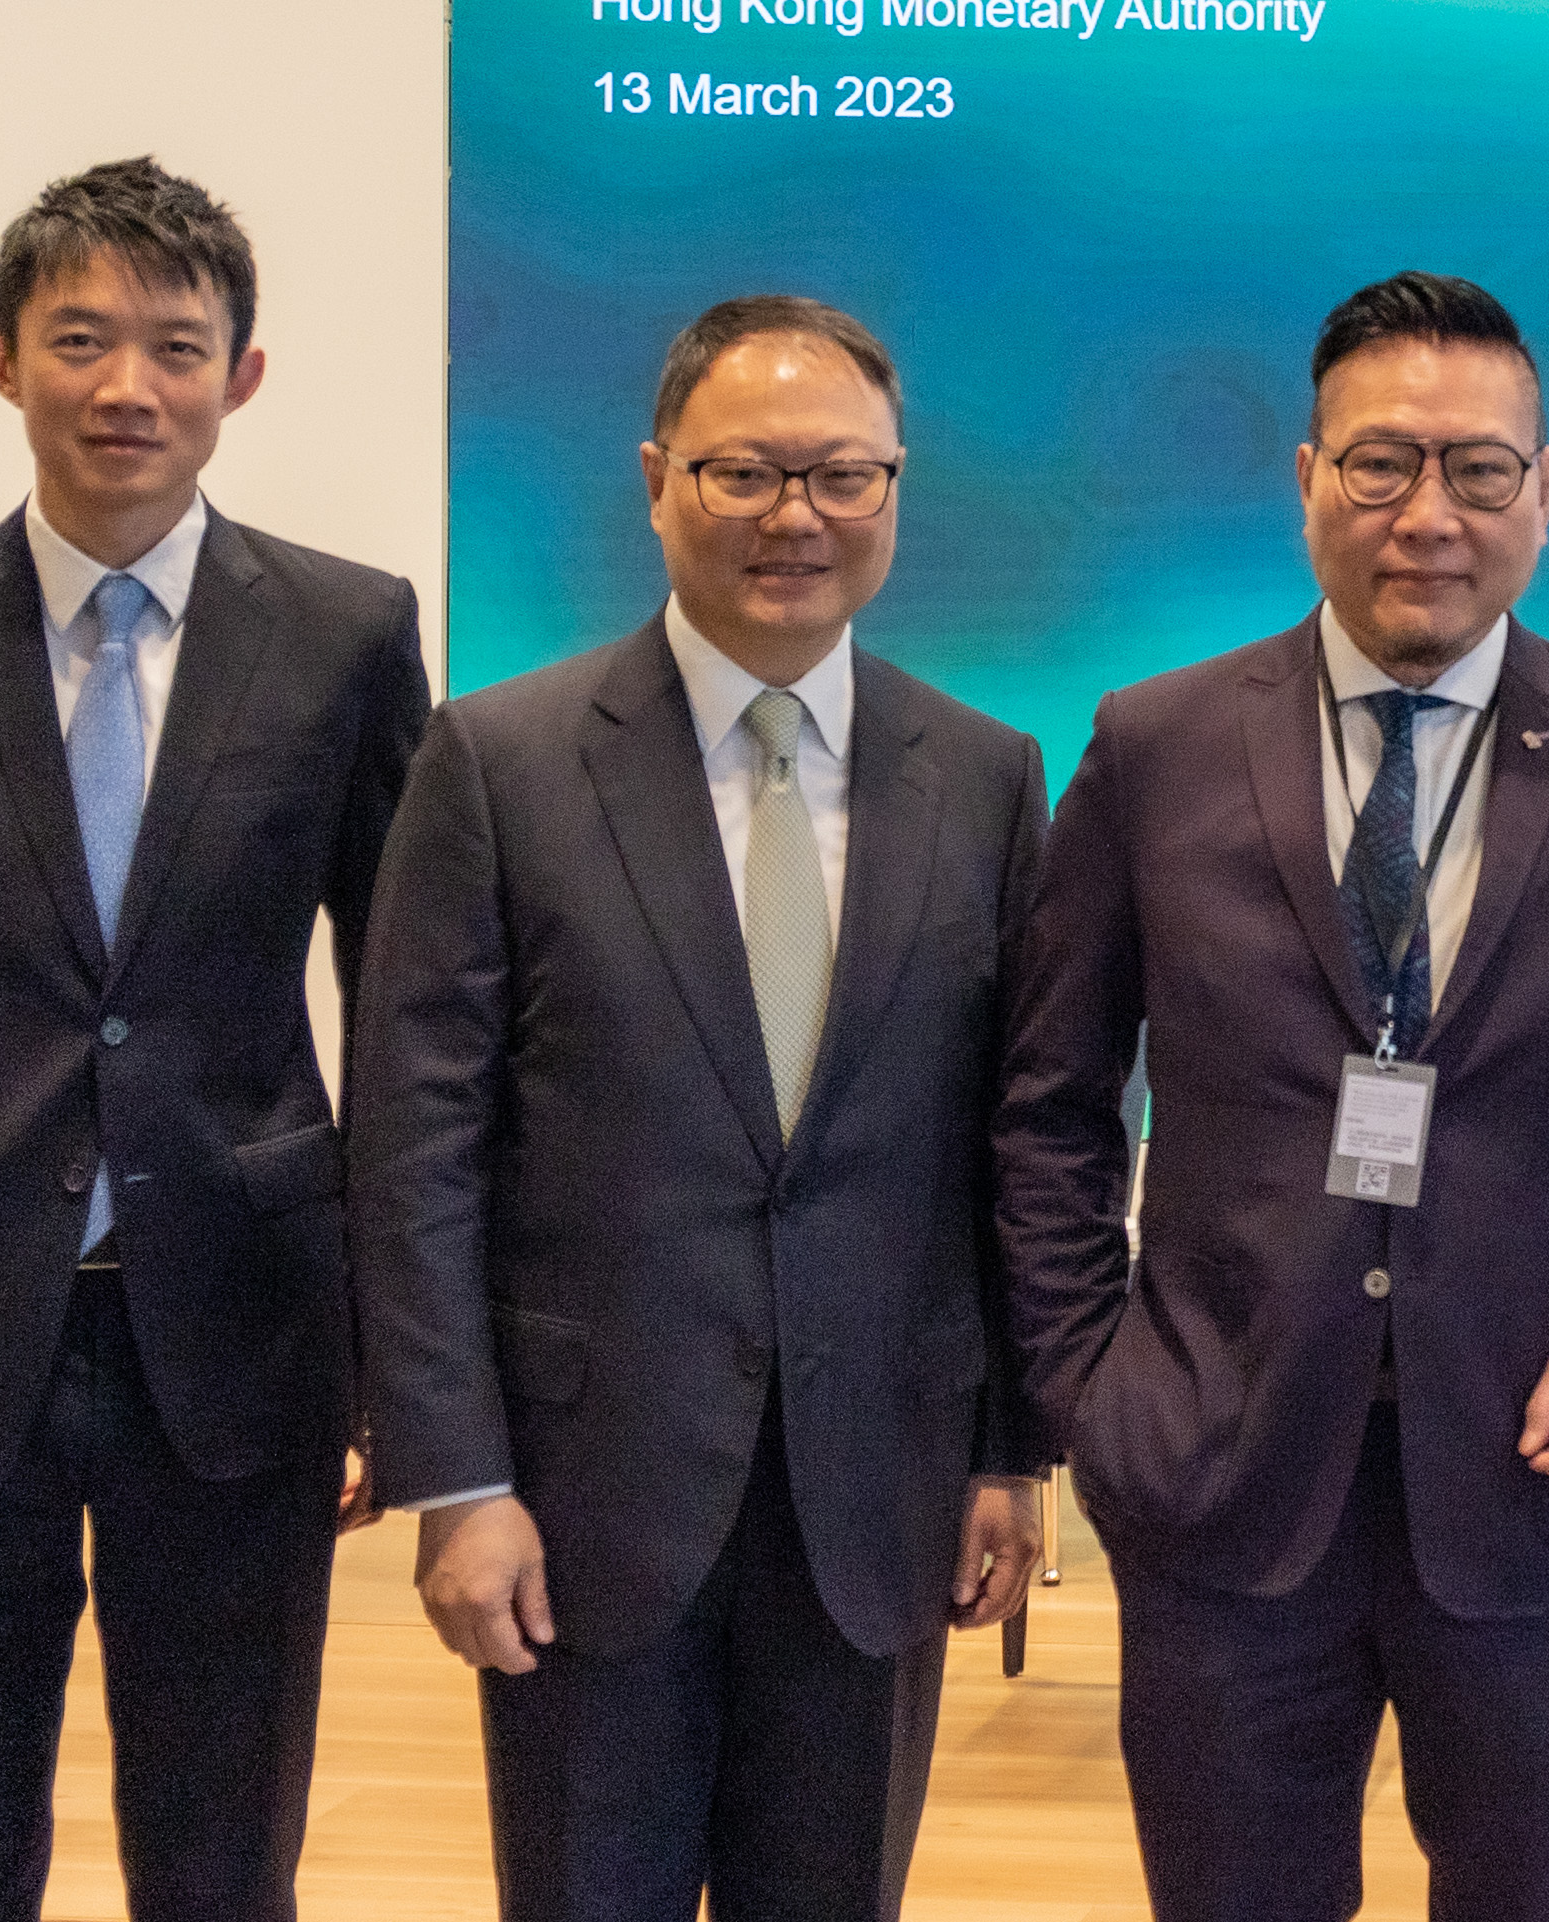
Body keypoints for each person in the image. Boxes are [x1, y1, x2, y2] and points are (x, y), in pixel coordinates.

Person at [999, 270, 1549, 1922]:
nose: (1427, 511)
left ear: (1543, 492)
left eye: (1477, 468)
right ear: (1305, 481)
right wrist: (1089, 1381)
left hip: (1536, 1473)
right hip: (1217, 1474)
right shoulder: (1154, 746)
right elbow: (1050, 1098)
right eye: (1379, 463)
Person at [0, 159, 433, 1922]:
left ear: (243, 376)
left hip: (240, 1319)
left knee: (223, 1844)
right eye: (80, 338)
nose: (127, 384)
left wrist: (392, 1351)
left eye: (175, 345)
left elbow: (409, 1006)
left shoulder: (350, 632)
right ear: (2, 361)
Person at [350, 294, 1049, 1922]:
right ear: (657, 478)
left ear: (895, 490)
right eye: (744, 472)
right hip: (580, 1504)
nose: (793, 515)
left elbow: (1022, 1146)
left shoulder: (988, 774)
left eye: (839, 475)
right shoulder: (500, 761)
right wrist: (454, 1479)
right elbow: (414, 1148)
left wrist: (1014, 1446)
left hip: (878, 1495)